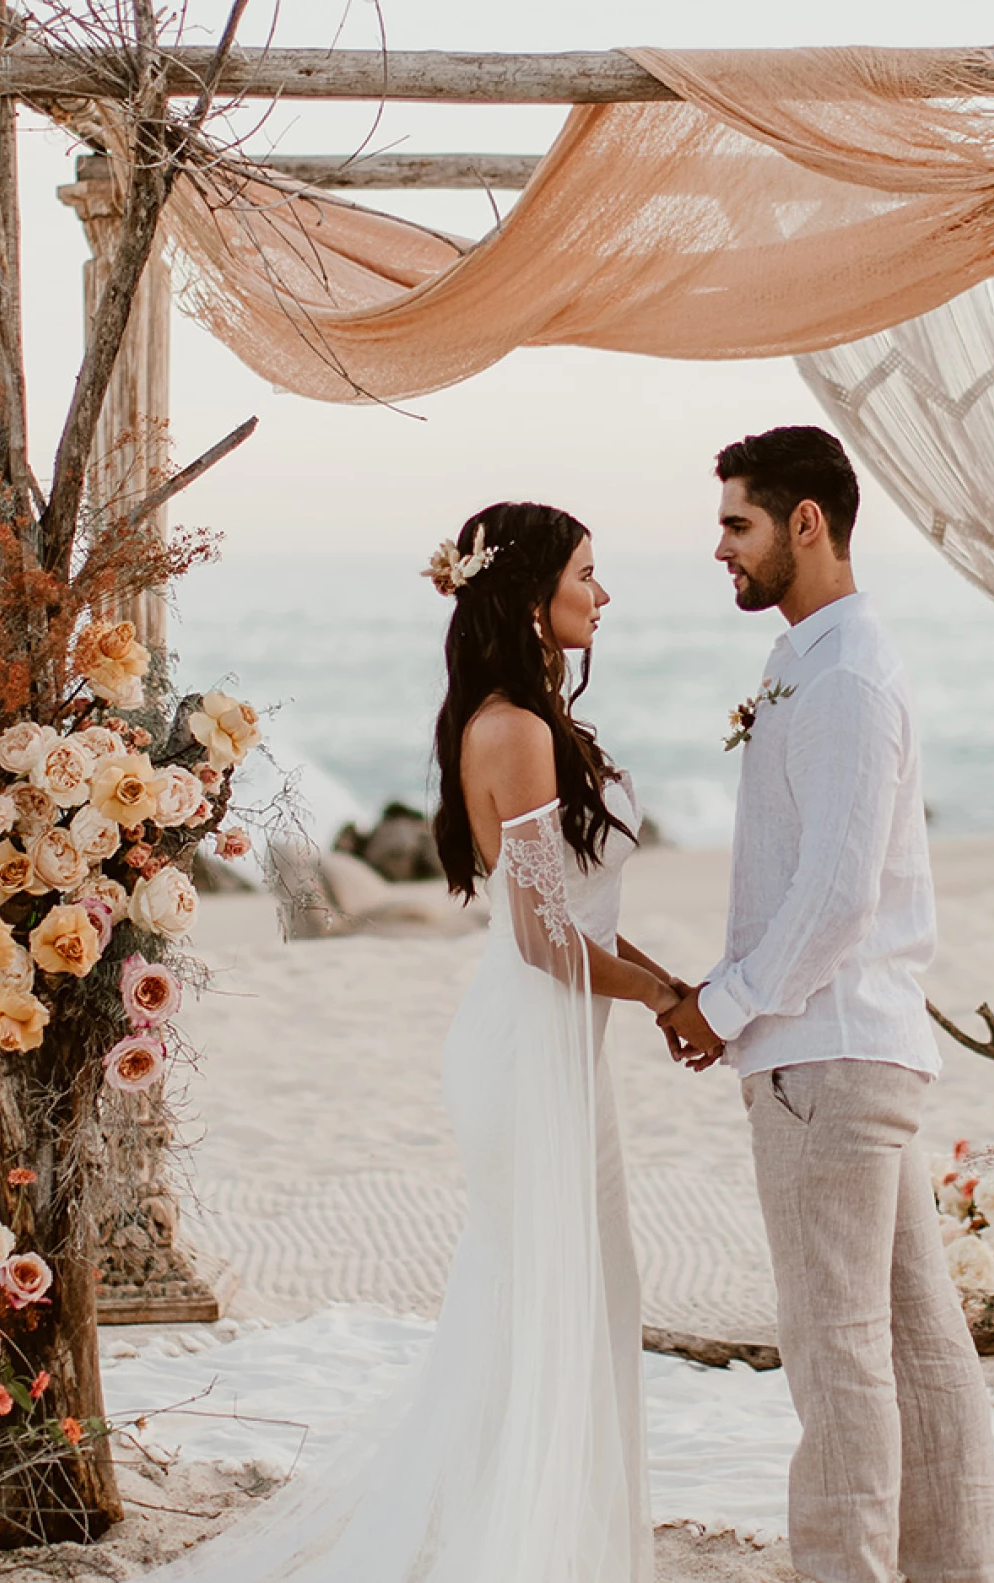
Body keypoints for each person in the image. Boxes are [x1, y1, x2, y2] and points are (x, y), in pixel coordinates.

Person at [154, 501, 673, 1583]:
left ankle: (557, 1536)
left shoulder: (536, 721)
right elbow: (543, 939)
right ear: (533, 595)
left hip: (559, 1046)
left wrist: (658, 983)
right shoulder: (514, 729)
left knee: (577, 1296)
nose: (603, 592)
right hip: (527, 1042)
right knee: (544, 1302)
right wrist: (670, 999)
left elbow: (576, 912)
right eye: (588, 571)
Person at [659, 427, 994, 1583]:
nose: (720, 547)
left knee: (836, 1354)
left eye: (737, 523)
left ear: (808, 522)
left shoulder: (847, 670)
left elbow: (838, 888)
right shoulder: (814, 655)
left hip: (827, 1051)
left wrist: (732, 1001)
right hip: (849, 1045)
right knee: (914, 1344)